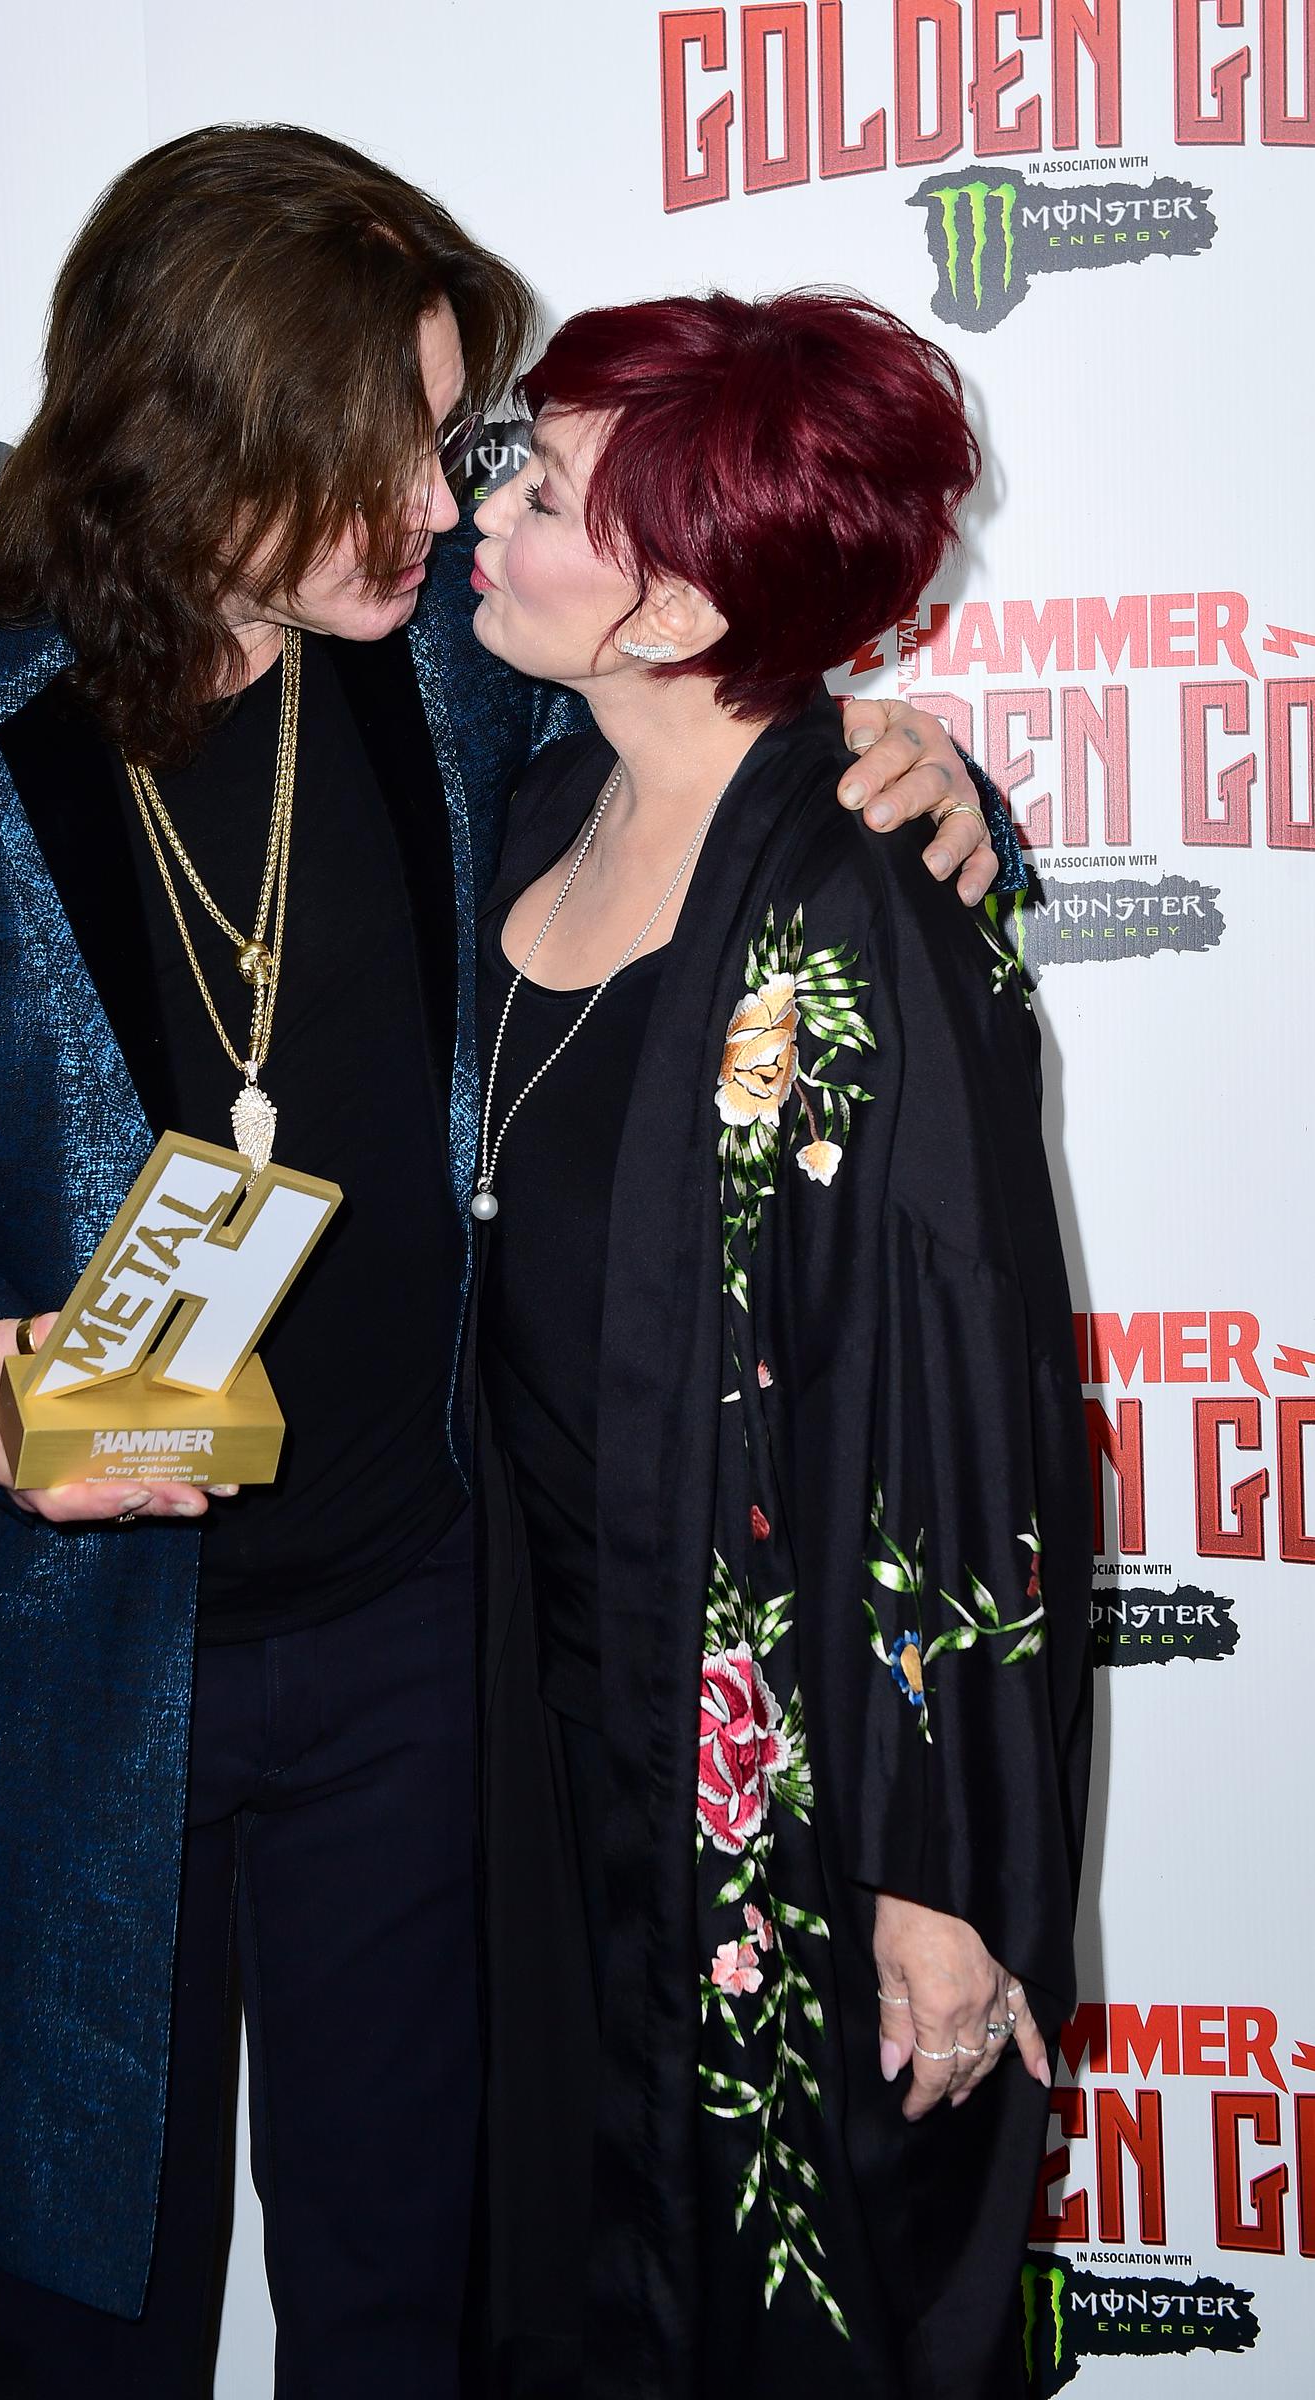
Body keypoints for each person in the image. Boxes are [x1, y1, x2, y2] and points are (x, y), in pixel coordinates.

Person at [0, 127, 1013, 2398]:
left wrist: (912, 777)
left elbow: (710, 764)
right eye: (385, 451)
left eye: (454, 444)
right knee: (89, 2329)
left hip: (426, 1637)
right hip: (79, 1654)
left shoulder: (450, 675)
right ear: (196, 429)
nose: (440, 505)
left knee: (412, 2305)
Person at [467, 289, 1091, 2400]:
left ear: (673, 606)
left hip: (779, 1778)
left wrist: (944, 1878)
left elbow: (964, 1408)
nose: (483, 514)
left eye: (541, 492)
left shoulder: (863, 903)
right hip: (524, 1723)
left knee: (768, 2314)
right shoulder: (529, 805)